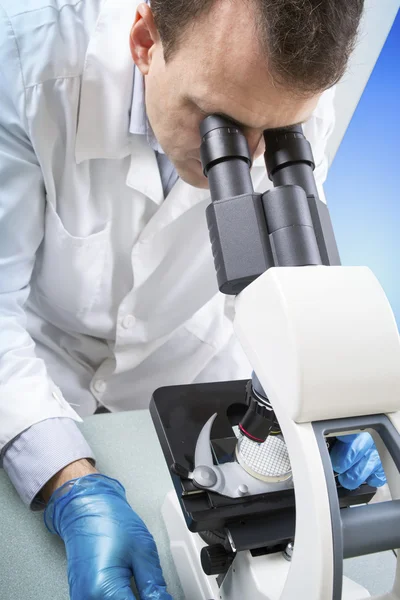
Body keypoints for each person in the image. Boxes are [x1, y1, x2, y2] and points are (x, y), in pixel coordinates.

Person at [0, 0, 385, 598]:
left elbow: (283, 278)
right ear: (145, 39)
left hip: (192, 365)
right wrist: (70, 483)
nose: (249, 154)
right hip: (40, 363)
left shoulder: (288, 99)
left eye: (275, 133)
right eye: (218, 120)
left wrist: (326, 397)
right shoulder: (25, 62)